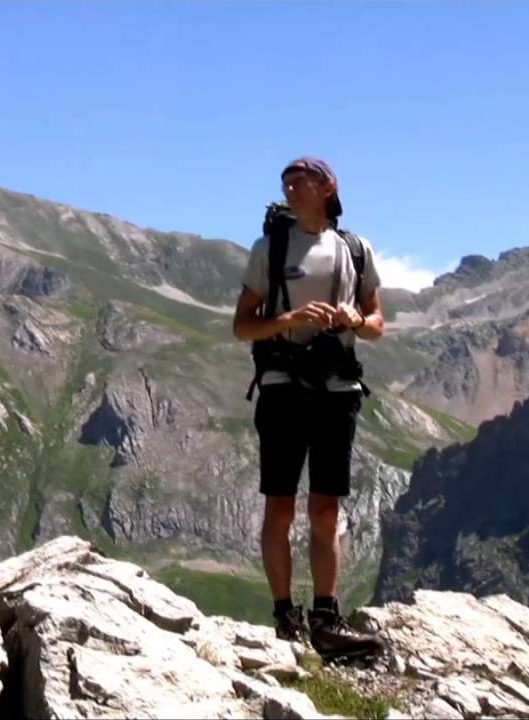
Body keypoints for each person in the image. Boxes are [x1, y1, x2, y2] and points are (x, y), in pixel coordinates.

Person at [232, 156, 386, 661]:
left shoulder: (356, 251)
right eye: (287, 184)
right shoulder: (270, 249)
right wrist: (290, 318)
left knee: (325, 505)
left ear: (328, 188)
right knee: (279, 504)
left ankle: (325, 616)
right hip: (281, 386)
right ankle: (283, 616)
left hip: (337, 389)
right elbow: (243, 325)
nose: (292, 189)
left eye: (302, 182)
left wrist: (352, 318)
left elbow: (378, 323)